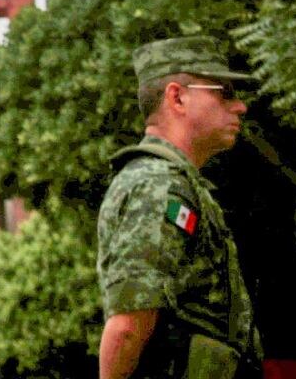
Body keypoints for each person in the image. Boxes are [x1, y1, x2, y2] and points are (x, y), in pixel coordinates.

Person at [97, 36, 264, 379]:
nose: (240, 107)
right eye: (225, 92)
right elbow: (128, 326)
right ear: (177, 97)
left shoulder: (177, 183)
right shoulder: (157, 184)